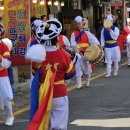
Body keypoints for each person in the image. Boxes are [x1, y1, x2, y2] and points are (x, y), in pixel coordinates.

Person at [27, 18, 75, 130]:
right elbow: (71, 74)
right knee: (59, 124)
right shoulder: (63, 54)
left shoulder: (36, 55)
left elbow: (35, 73)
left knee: (42, 121)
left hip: (43, 93)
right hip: (59, 92)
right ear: (57, 38)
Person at [71, 16, 100, 89]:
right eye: (77, 24)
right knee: (77, 67)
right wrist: (77, 49)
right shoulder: (73, 34)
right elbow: (73, 44)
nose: (78, 25)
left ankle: (87, 81)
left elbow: (95, 42)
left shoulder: (87, 33)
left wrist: (93, 48)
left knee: (87, 68)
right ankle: (79, 84)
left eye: (79, 24)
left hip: (87, 53)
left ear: (82, 24)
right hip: (78, 53)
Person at [0, 38, 14, 126]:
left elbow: (7, 64)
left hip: (2, 76)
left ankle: (10, 116)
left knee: (6, 97)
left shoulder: (3, 46)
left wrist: (0, 58)